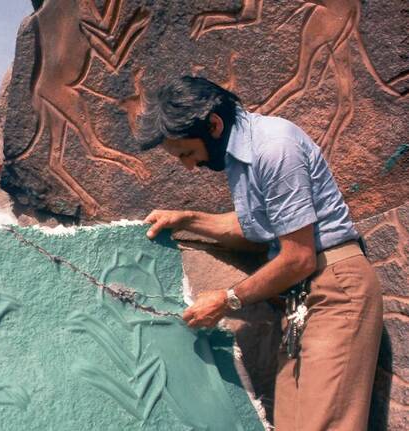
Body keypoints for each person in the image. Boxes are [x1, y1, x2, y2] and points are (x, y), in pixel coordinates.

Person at [137, 76, 383, 431]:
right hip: (302, 301)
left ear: (214, 125)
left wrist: (227, 299)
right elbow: (259, 229)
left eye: (188, 153)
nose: (189, 166)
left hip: (335, 290)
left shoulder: (273, 146)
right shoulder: (241, 157)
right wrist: (189, 220)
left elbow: (299, 257)